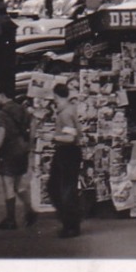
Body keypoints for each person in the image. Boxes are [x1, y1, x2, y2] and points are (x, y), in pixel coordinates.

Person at [0, 89, 36, 230]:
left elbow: (1, 134)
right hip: (22, 150)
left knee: (8, 184)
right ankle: (31, 210)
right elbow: (32, 125)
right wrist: (30, 145)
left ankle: (10, 219)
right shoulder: (21, 109)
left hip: (9, 151)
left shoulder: (2, 113)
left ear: (1, 95)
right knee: (19, 184)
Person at [47, 81, 84, 237]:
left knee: (64, 189)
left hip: (67, 152)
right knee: (58, 187)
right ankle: (70, 222)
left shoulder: (65, 113)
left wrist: (53, 137)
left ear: (56, 97)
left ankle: (71, 225)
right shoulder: (69, 110)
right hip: (66, 152)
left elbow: (70, 138)